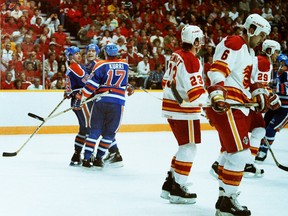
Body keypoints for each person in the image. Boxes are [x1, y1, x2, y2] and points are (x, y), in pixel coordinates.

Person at [205, 14, 271, 215]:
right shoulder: (235, 42)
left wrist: (261, 93)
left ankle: (225, 198)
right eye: (261, 36)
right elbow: (217, 69)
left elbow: (247, 81)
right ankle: (227, 201)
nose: (261, 41)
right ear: (252, 30)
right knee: (240, 155)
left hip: (239, 106)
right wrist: (217, 94)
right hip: (228, 105)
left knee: (231, 154)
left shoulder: (249, 51)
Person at [210, 39, 282, 178]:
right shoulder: (264, 62)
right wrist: (271, 96)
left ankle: (225, 163)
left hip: (247, 101)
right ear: (270, 50)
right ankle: (246, 164)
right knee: (252, 131)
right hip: (245, 101)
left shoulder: (257, 58)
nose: (277, 55)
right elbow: (260, 85)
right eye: (276, 51)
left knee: (256, 130)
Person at [160, 25, 206, 204]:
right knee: (189, 147)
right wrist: (215, 101)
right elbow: (196, 93)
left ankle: (170, 183)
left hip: (173, 107)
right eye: (200, 40)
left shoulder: (176, 54)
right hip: (184, 110)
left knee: (183, 146)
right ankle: (178, 188)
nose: (201, 43)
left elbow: (166, 81)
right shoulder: (191, 59)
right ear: (194, 41)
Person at [74, 43, 131, 168]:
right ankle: (99, 159)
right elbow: (123, 81)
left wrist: (82, 96)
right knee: (109, 134)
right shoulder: (125, 64)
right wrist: (129, 86)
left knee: (94, 131)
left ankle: (87, 158)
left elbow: (91, 85)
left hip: (101, 100)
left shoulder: (100, 64)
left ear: (104, 53)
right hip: (117, 102)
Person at [255, 54, 288, 162]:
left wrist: (272, 87)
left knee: (271, 129)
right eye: (278, 63)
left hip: (285, 109)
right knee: (262, 127)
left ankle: (263, 151)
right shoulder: (274, 73)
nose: (279, 65)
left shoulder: (286, 74)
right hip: (274, 106)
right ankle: (258, 149)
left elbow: (282, 90)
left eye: (282, 63)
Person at [65, 46, 91, 166]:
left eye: (79, 53)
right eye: (76, 54)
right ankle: (86, 155)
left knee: (84, 128)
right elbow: (87, 82)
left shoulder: (72, 68)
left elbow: (69, 88)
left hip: (78, 100)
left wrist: (69, 92)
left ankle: (76, 155)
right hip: (81, 100)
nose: (79, 55)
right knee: (87, 128)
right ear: (70, 56)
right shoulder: (75, 67)